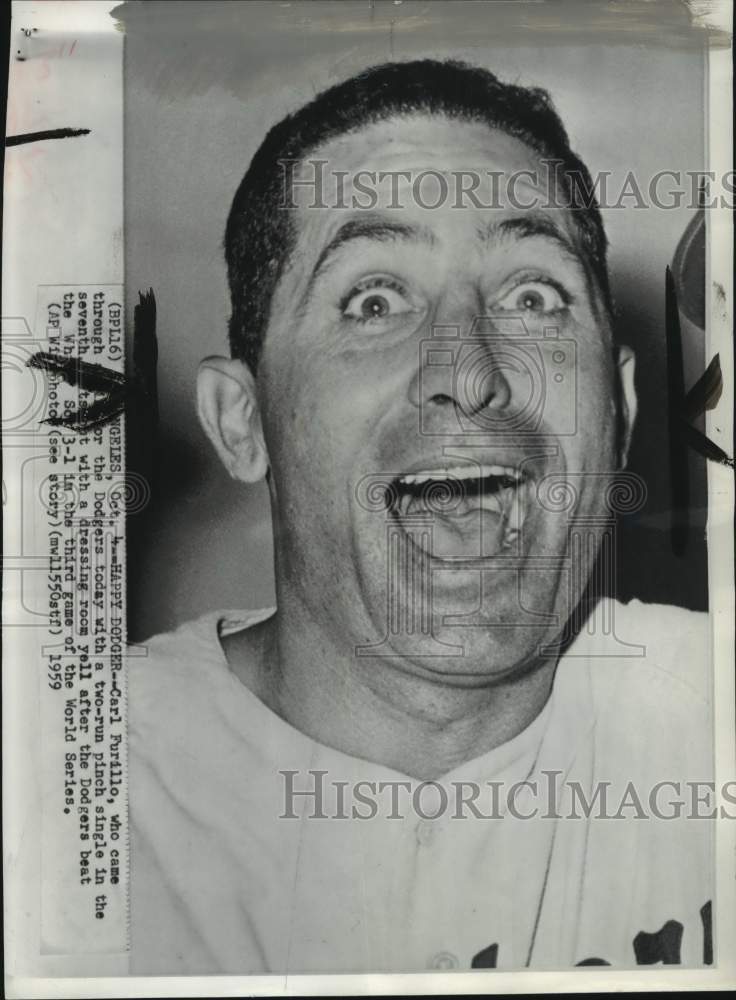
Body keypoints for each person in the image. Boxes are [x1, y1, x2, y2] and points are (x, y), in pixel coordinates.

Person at [128, 59, 713, 974]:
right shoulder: (66, 782)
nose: (469, 371)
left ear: (622, 414)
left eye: (533, 296)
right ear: (243, 424)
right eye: (373, 301)